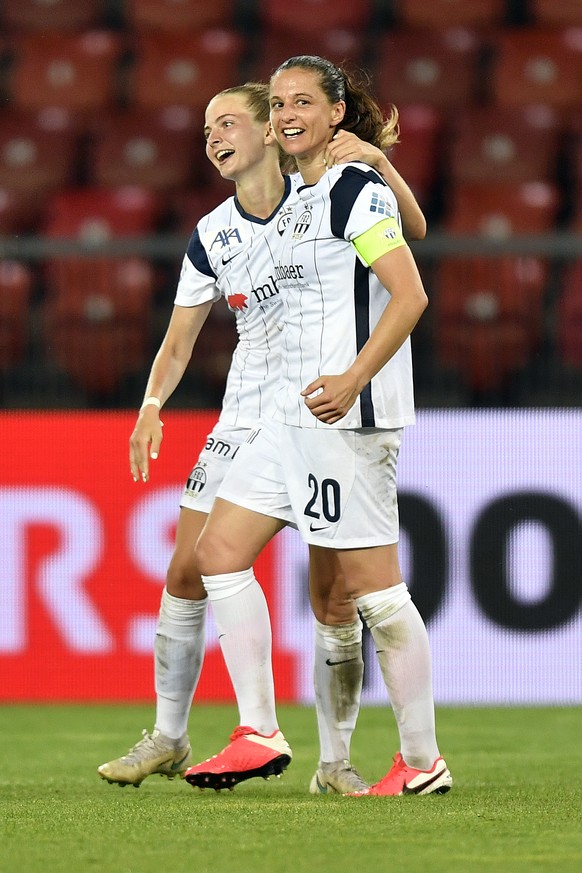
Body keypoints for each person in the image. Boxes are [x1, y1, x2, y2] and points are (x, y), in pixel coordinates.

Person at [97, 80, 428, 793]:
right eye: (204, 128)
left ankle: (342, 760)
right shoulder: (214, 232)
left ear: (272, 132)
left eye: (228, 121)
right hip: (249, 417)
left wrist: (375, 162)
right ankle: (179, 733)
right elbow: (179, 340)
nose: (213, 136)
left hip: (323, 410)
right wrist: (153, 401)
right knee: (196, 564)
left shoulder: (320, 196)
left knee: (338, 596)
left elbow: (407, 246)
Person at [184, 56, 452, 797]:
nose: (287, 112)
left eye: (303, 100)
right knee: (219, 550)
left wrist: (354, 376)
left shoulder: (350, 188)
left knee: (374, 593)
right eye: (277, 103)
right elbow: (415, 225)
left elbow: (411, 294)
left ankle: (423, 759)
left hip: (349, 418)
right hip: (292, 420)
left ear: (336, 113)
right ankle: (260, 729)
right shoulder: (308, 194)